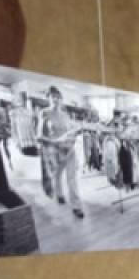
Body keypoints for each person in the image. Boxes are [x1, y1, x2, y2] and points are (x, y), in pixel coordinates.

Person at [37, 86, 84, 219]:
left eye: (58, 97)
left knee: (72, 179)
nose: (56, 99)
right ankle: (59, 194)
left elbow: (69, 131)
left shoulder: (65, 115)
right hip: (55, 151)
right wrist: (57, 141)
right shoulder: (44, 113)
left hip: (69, 150)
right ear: (48, 98)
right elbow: (39, 136)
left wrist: (75, 134)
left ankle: (76, 206)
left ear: (61, 99)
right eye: (53, 97)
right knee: (56, 175)